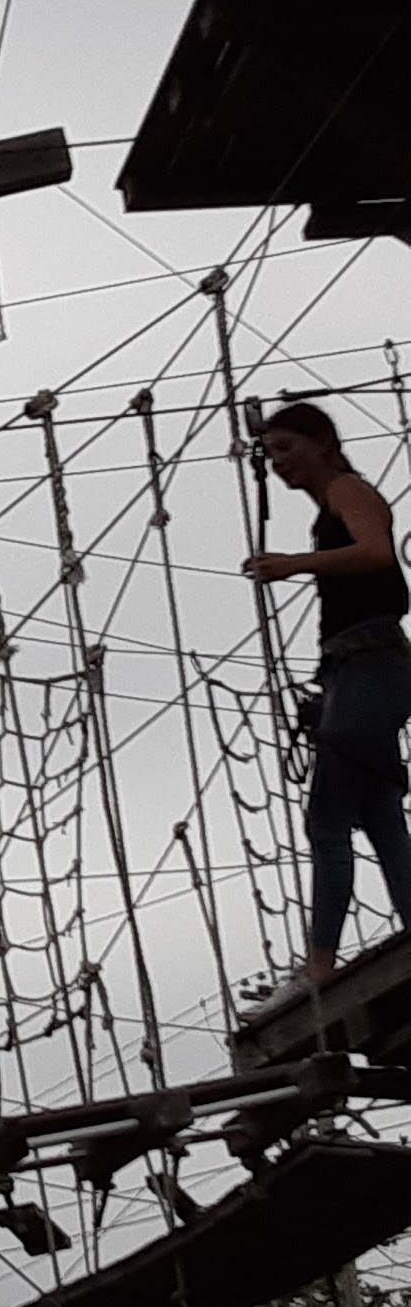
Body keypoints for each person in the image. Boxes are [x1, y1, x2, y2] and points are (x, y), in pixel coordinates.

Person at [243, 401, 411, 1013]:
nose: (278, 463)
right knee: (379, 814)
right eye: (271, 454)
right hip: (356, 668)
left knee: (328, 818)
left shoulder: (348, 490)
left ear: (322, 443)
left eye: (287, 448)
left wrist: (294, 566)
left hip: (371, 663)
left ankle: (319, 966)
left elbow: (377, 553)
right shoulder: (328, 509)